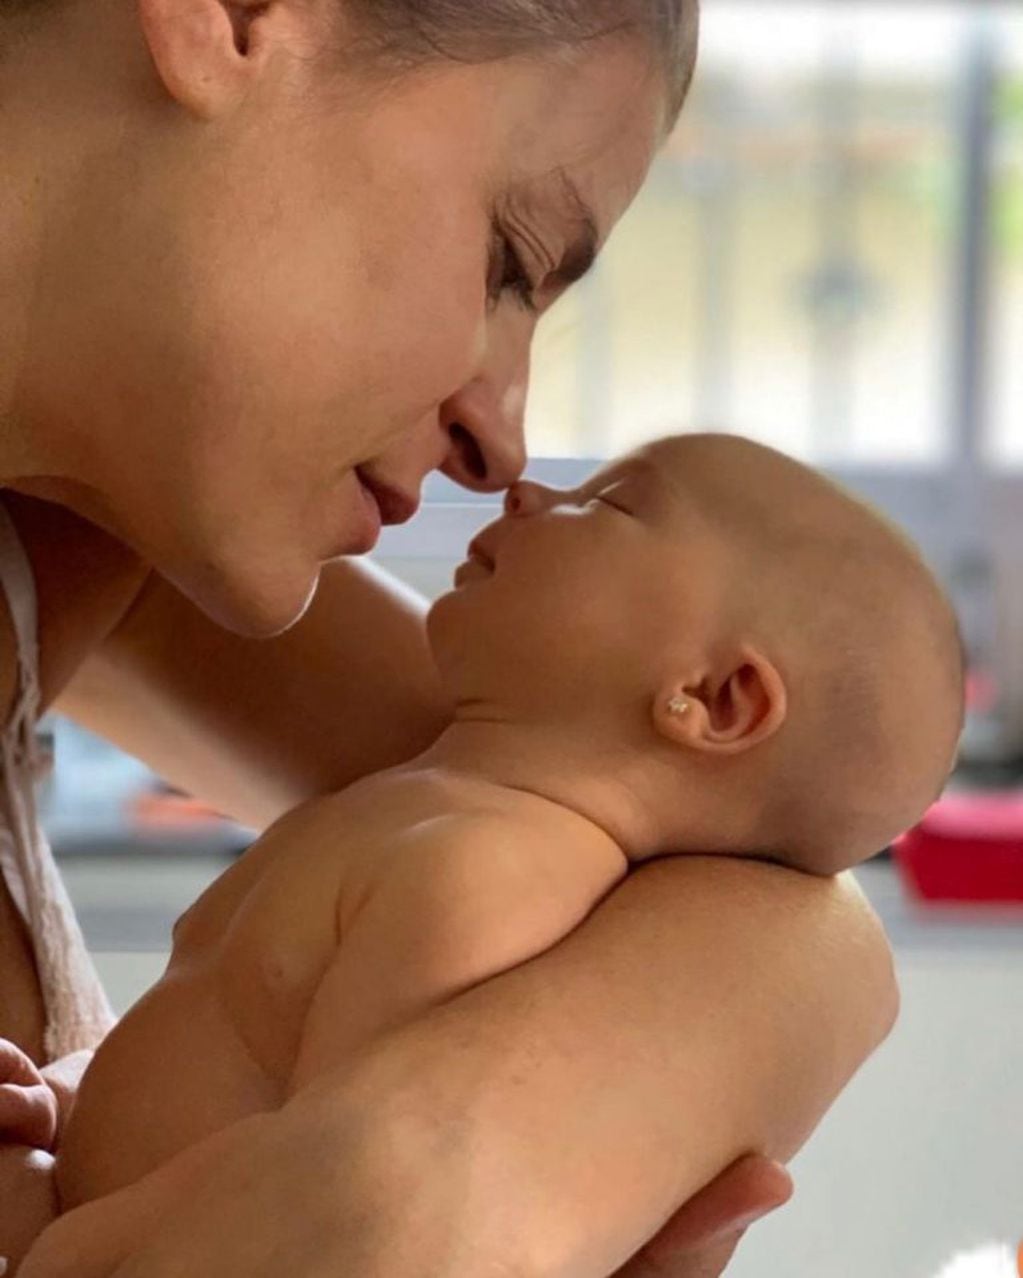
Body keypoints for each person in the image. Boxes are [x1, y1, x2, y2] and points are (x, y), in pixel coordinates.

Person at [0, 2, 899, 1275]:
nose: (505, 440)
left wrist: (450, 1167)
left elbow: (795, 891)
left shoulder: (90, 545)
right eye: (510, 261)